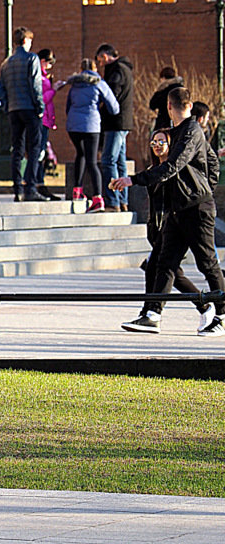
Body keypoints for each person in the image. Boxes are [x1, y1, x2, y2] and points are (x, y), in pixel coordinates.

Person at [113, 87, 224, 336]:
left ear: (168, 106)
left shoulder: (192, 131)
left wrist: (135, 180)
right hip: (178, 209)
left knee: (207, 263)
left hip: (197, 208)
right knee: (165, 262)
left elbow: (175, 166)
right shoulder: (176, 132)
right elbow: (210, 161)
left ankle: (221, 314)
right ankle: (153, 314)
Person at [130, 129, 212, 331]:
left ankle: (153, 313)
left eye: (162, 142)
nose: (157, 145)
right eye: (154, 142)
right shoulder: (153, 170)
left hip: (173, 227)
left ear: (172, 145)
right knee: (166, 270)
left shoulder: (175, 172)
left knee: (164, 270)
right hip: (158, 228)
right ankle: (152, 312)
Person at [63, 58, 119, 212]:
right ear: (95, 69)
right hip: (91, 125)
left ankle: (77, 191)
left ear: (80, 69)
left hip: (73, 125)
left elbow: (68, 106)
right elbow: (114, 108)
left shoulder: (74, 85)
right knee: (92, 161)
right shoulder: (99, 83)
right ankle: (97, 198)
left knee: (80, 154)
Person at [0, 27, 46, 202]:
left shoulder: (6, 63)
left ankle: (17, 187)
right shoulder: (31, 58)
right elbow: (35, 85)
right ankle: (30, 187)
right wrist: (40, 107)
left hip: (13, 109)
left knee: (17, 149)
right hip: (30, 108)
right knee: (34, 147)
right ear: (26, 41)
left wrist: (6, 106)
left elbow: (1, 89)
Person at [95, 43, 134, 212]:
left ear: (105, 56)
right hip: (123, 122)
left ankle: (113, 201)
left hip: (115, 122)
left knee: (108, 160)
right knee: (119, 162)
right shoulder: (125, 68)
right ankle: (122, 200)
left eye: (100, 60)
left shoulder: (116, 70)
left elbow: (112, 94)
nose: (100, 64)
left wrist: (101, 107)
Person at [36, 48, 61, 200]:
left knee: (42, 152)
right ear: (44, 61)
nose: (50, 67)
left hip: (46, 119)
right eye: (50, 63)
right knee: (39, 152)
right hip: (41, 119)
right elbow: (42, 98)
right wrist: (54, 89)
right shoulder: (38, 76)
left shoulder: (43, 76)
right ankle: (37, 183)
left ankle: (39, 182)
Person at [148, 67, 184, 132]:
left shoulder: (163, 90)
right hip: (179, 120)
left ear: (163, 78)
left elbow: (152, 104)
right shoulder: (181, 89)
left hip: (164, 122)